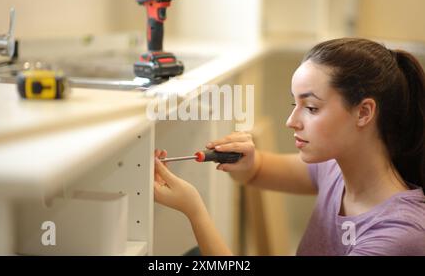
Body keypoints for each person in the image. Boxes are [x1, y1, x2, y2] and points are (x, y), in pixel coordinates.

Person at [153, 38, 425, 256]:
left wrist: (195, 211)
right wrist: (248, 162)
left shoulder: (396, 237)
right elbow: (256, 171)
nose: (291, 121)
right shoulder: (335, 170)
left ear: (363, 113)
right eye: (293, 105)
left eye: (311, 108)